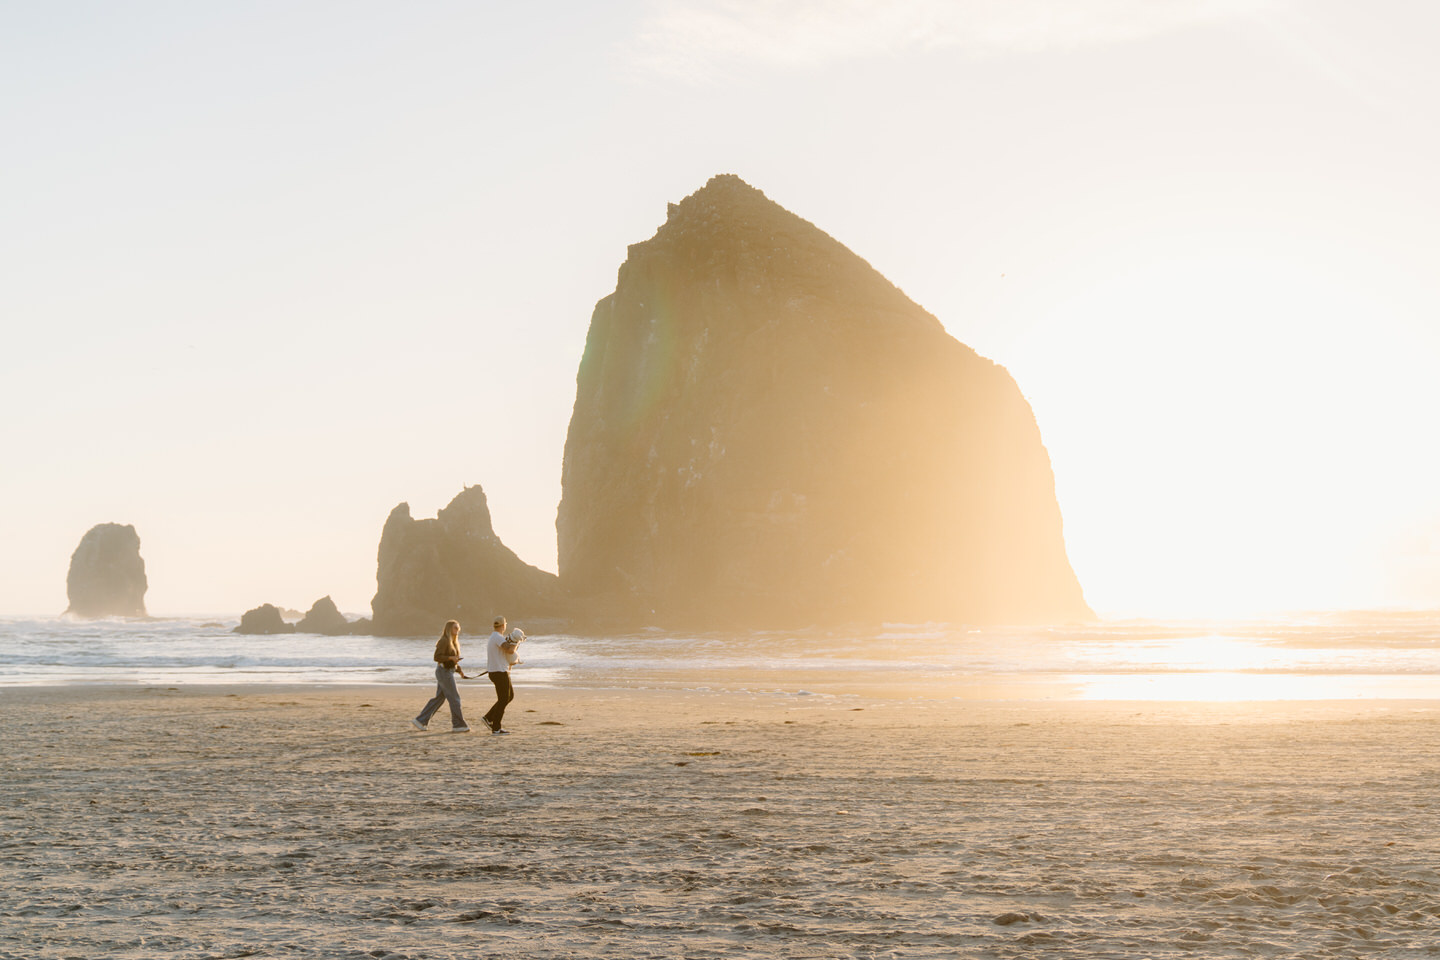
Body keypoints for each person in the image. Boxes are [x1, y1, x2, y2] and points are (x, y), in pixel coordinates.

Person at [412, 619, 473, 732]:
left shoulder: (454, 642)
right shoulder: (444, 641)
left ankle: (420, 720)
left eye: (458, 628)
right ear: (450, 629)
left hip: (447, 671)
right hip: (443, 672)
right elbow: (437, 657)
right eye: (455, 628)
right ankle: (458, 725)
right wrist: (450, 658)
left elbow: (454, 660)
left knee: (439, 699)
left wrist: (459, 671)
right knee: (455, 699)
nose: (458, 630)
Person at [481, 616, 520, 734]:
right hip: (499, 672)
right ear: (504, 625)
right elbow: (509, 650)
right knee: (503, 699)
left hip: (499, 671)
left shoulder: (496, 637)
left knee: (509, 696)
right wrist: (516, 641)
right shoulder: (497, 637)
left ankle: (488, 718)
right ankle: (496, 727)